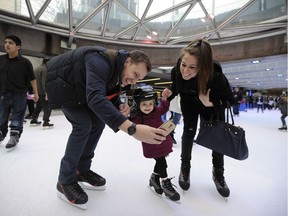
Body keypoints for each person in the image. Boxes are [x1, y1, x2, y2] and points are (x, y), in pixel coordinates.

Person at [45, 46, 167, 209]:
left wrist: (119, 105)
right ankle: (65, 180)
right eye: (135, 75)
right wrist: (133, 129)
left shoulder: (117, 73)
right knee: (83, 125)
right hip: (63, 86)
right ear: (128, 61)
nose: (134, 81)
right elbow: (95, 97)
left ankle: (82, 169)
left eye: (138, 79)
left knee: (97, 122)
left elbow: (106, 93)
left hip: (80, 91)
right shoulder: (99, 60)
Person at [166, 38, 235, 198]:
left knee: (216, 138)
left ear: (202, 67)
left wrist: (210, 103)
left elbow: (230, 101)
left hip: (211, 105)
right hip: (189, 102)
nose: (185, 71)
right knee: (188, 132)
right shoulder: (177, 70)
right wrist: (169, 93)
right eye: (184, 64)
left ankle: (218, 172)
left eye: (192, 67)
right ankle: (185, 167)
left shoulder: (215, 76)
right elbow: (176, 88)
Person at [129, 87, 180, 202]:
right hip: (151, 144)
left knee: (161, 160)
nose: (148, 107)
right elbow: (130, 125)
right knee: (162, 161)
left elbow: (164, 107)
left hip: (163, 141)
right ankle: (165, 182)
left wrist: (165, 98)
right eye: (144, 104)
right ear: (138, 105)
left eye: (150, 104)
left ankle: (154, 178)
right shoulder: (137, 117)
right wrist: (127, 113)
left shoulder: (157, 111)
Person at [0, 35, 39, 151]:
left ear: (18, 47)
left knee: (17, 117)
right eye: (6, 42)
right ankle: (1, 133)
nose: (7, 44)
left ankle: (14, 136)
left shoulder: (25, 62)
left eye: (10, 43)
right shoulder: (1, 60)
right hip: (3, 94)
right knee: (1, 116)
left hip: (20, 95)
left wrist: (36, 93)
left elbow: (32, 78)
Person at [30, 58, 54, 129]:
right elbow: (44, 82)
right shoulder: (44, 70)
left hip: (37, 91)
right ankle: (46, 122)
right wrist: (47, 92)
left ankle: (34, 119)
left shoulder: (37, 69)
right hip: (43, 92)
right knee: (47, 107)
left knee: (39, 106)